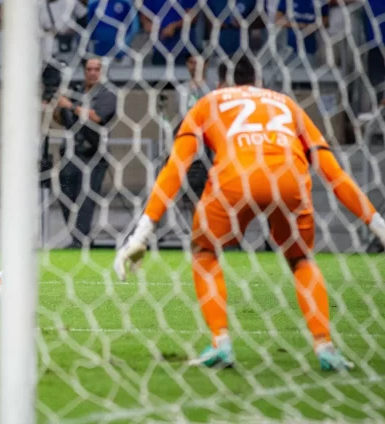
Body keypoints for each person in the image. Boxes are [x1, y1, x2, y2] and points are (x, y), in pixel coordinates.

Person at [114, 57, 385, 371]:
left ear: (221, 83)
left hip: (236, 180)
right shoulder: (285, 104)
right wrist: (378, 224)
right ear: (258, 83)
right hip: (290, 180)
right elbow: (333, 172)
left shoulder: (208, 102)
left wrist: (141, 234)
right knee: (301, 260)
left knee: (205, 251)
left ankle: (221, 343)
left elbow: (175, 167)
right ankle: (325, 347)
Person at [53, 57, 117, 248]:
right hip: (71, 153)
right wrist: (55, 103)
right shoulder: (76, 91)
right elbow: (61, 119)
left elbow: (96, 117)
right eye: (89, 69)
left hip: (94, 154)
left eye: (96, 69)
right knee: (64, 193)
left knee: (86, 198)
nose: (92, 72)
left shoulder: (108, 94)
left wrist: (70, 106)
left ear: (102, 71)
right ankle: (77, 237)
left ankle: (80, 241)